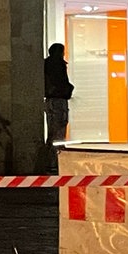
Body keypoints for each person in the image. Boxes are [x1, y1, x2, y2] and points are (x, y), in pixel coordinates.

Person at [44, 42, 73, 172]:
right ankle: (54, 162)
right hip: (58, 101)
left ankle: (50, 161)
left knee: (53, 133)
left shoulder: (47, 64)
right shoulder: (58, 65)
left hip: (52, 100)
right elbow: (62, 83)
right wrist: (67, 89)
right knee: (58, 132)